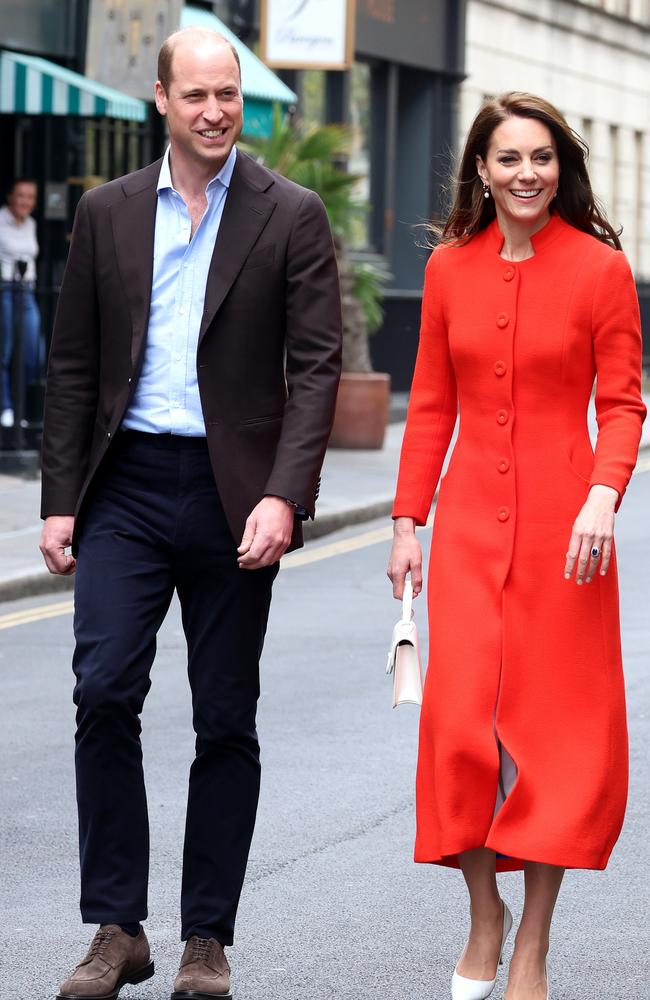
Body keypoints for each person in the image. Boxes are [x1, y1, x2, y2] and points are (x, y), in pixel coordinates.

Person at [39, 26, 341, 1000]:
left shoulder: (289, 214)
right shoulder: (109, 213)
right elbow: (75, 362)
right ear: (161, 100)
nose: (215, 112)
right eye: (197, 95)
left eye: (230, 98)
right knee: (104, 691)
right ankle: (115, 926)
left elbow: (313, 368)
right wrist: (56, 502)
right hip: (124, 483)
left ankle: (205, 939)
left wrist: (281, 496)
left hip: (232, 490)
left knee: (224, 716)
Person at [387, 92, 646, 1000]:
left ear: (560, 167)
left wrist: (603, 498)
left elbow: (622, 404)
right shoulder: (450, 270)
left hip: (567, 540)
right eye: (508, 159)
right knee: (459, 733)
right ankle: (483, 911)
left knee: (553, 744)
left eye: (541, 157)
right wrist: (407, 522)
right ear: (482, 171)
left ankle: (530, 945)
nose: (526, 173)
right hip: (464, 531)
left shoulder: (602, 270)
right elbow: (429, 408)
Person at [0, 178, 42, 428]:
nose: (25, 201)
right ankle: (5, 407)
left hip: (27, 291)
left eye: (30, 197)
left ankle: (21, 407)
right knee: (4, 351)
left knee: (31, 352)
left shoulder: (32, 224)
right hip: (4, 288)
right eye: (20, 195)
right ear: (10, 197)